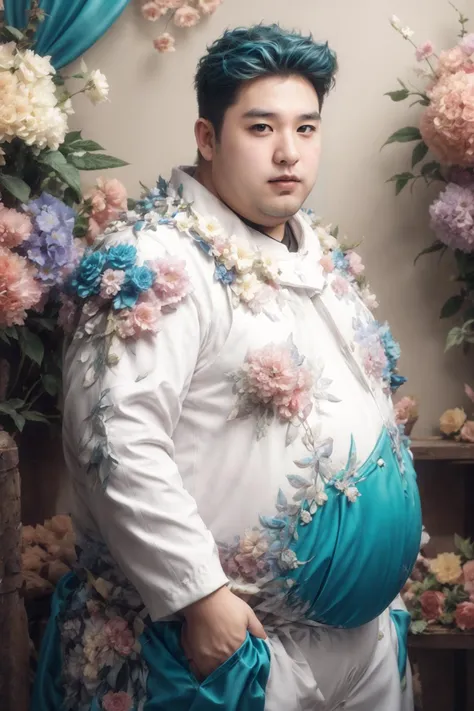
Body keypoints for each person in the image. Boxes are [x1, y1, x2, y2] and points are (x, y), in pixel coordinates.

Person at [32, 23, 422, 711]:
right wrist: (200, 595)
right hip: (226, 646)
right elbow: (114, 438)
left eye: (306, 129)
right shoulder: (155, 258)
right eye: (261, 127)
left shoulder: (320, 255)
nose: (287, 153)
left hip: (360, 646)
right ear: (207, 138)